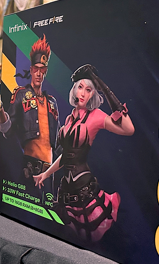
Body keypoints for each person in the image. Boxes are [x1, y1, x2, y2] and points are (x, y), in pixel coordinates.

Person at [34, 64, 134, 243]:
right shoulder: (69, 118)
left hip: (85, 193)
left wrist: (105, 89)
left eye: (88, 90)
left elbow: (128, 129)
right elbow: (66, 156)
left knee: (88, 241)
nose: (83, 93)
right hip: (64, 193)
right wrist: (45, 174)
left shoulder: (96, 116)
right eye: (80, 87)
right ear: (74, 89)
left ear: (93, 94)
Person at [0, 35, 59, 200]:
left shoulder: (52, 102)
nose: (39, 73)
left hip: (49, 171)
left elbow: (58, 142)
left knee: (48, 209)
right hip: (29, 168)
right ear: (31, 70)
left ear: (45, 71)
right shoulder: (21, 94)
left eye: (42, 69)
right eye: (36, 69)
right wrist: (0, 111)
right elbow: (8, 130)